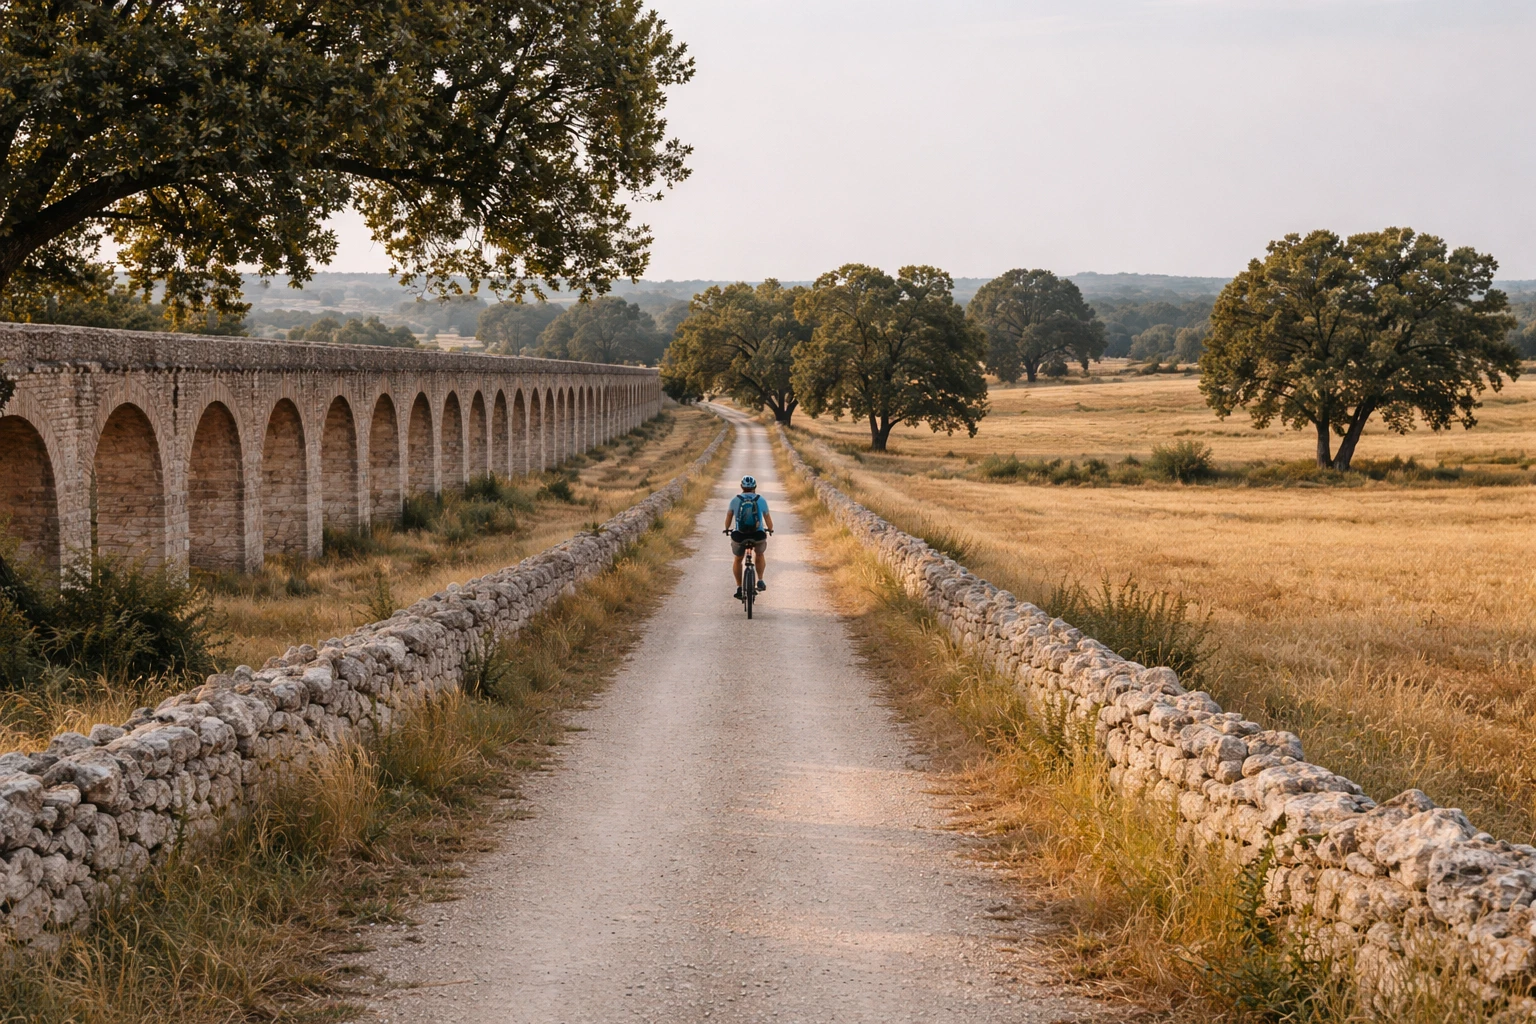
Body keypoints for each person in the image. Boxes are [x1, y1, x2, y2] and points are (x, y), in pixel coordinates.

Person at [724, 475, 774, 600]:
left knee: (738, 559)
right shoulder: (760, 499)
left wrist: (726, 529)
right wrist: (770, 529)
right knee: (760, 554)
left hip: (739, 535)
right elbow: (767, 518)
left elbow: (729, 517)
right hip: (758, 535)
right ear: (755, 487)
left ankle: (739, 587)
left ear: (741, 487)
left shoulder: (735, 500)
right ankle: (760, 580)